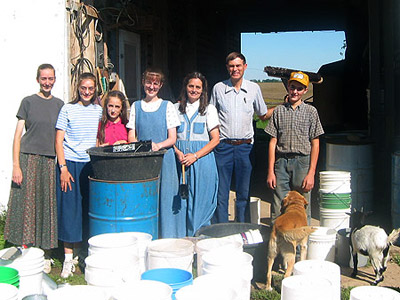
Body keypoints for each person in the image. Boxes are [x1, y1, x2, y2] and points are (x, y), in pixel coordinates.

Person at [4, 63, 64, 273]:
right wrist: (16, 166)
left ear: (55, 80)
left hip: (49, 160)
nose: (47, 82)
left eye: (50, 78)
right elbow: (18, 135)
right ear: (38, 79)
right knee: (27, 205)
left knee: (46, 205)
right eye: (43, 78)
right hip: (28, 158)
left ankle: (45, 254)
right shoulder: (28, 102)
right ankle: (26, 250)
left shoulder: (59, 104)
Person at [210, 52, 273, 223]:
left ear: (245, 67)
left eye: (238, 66)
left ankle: (241, 228)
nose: (235, 69)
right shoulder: (218, 89)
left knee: (243, 192)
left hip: (246, 147)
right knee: (221, 192)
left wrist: (284, 106)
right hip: (223, 146)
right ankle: (222, 229)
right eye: (231, 66)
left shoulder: (254, 89)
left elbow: (263, 114)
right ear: (227, 68)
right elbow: (210, 116)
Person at [55, 72, 102, 278]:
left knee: (89, 210)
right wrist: (63, 167)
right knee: (70, 211)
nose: (87, 92)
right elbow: (59, 140)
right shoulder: (67, 109)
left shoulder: (99, 110)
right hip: (71, 164)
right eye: (84, 88)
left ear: (95, 90)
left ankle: (84, 252)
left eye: (91, 89)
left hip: (91, 164)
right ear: (78, 88)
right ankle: (68, 258)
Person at [127, 68, 180, 238]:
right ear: (143, 83)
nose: (151, 87)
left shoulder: (168, 106)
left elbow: (172, 138)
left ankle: (168, 239)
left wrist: (158, 146)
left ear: (160, 85)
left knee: (166, 198)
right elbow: (131, 135)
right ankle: (147, 237)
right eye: (148, 82)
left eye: (155, 83)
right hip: (144, 160)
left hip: (165, 159)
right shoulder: (136, 106)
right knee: (146, 198)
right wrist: (141, 148)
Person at [265, 71, 324, 223]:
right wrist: (271, 171)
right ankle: (277, 243)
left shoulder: (311, 112)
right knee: (279, 203)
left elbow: (315, 142)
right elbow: (273, 142)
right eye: (292, 87)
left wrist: (311, 173)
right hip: (282, 162)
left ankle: (301, 245)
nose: (295, 91)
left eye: (299, 88)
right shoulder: (278, 111)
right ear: (288, 88)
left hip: (302, 162)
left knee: (302, 204)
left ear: (305, 91)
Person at [174, 72, 220, 236]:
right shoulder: (175, 108)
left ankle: (199, 240)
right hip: (179, 161)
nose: (194, 90)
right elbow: (170, 137)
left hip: (201, 161)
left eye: (198, 87)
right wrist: (178, 151)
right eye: (191, 86)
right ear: (185, 87)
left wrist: (195, 155)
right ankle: (181, 240)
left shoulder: (209, 110)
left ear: (203, 90)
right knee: (180, 201)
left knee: (200, 200)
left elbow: (215, 139)